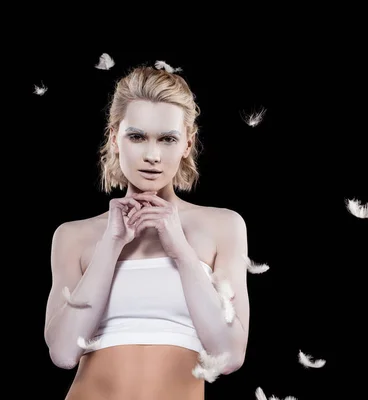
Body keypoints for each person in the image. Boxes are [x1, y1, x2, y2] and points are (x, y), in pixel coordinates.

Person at [44, 64, 250, 400]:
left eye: (167, 139)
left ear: (187, 143)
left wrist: (180, 250)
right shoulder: (73, 236)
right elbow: (64, 354)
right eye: (137, 136)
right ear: (114, 138)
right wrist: (110, 245)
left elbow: (229, 356)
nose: (152, 155)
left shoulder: (223, 227)